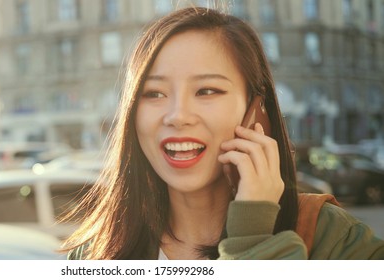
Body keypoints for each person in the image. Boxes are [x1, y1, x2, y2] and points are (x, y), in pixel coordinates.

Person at [61, 6, 384, 260]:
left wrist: (254, 236)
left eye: (207, 90)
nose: (177, 116)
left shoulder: (333, 237)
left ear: (256, 110)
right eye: (153, 94)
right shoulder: (95, 253)